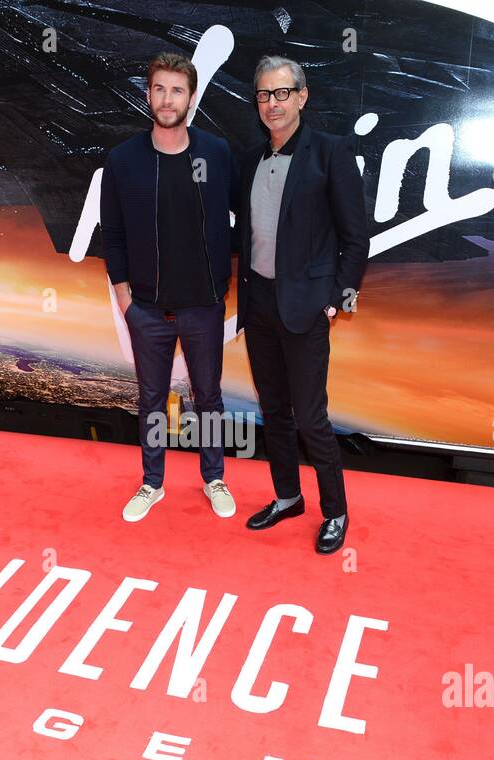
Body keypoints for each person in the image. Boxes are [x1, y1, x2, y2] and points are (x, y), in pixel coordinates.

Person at [234, 55, 368, 554]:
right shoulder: (249, 158)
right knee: (275, 411)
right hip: (260, 303)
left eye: (282, 93)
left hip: (307, 306)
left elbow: (356, 239)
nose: (273, 104)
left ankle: (335, 511)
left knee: (311, 417)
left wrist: (336, 302)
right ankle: (288, 497)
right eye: (264, 95)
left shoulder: (330, 153)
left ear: (303, 96)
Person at [99, 52, 241, 523]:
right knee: (151, 400)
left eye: (177, 90)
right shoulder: (123, 160)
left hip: (203, 305)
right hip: (147, 308)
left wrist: (223, 280)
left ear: (191, 98)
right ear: (148, 95)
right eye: (159, 88)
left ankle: (214, 477)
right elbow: (113, 234)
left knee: (209, 397)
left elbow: (242, 221)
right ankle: (152, 483)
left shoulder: (216, 154)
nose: (167, 98)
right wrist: (125, 298)